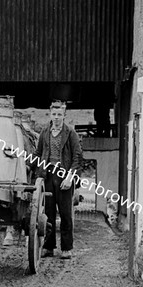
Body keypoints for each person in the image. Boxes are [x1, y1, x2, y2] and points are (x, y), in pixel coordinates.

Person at [32, 101, 83, 259]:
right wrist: (22, 160)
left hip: (64, 176)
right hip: (48, 175)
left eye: (59, 114)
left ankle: (66, 248)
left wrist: (70, 177)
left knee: (66, 214)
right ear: (50, 114)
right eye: (54, 114)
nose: (56, 117)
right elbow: (38, 153)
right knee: (48, 213)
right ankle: (49, 246)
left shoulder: (70, 133)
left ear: (64, 115)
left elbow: (77, 157)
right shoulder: (45, 132)